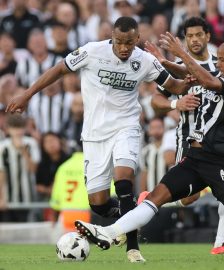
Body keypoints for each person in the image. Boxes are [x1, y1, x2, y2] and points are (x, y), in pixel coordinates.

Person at [74, 36, 224, 261]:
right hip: (194, 157)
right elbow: (192, 74)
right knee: (154, 198)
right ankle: (109, 232)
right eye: (217, 59)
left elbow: (207, 79)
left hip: (221, 159)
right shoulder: (219, 76)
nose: (217, 63)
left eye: (222, 59)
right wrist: (166, 62)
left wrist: (180, 52)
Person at [6, 16, 192, 263]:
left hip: (126, 127)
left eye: (129, 42)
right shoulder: (92, 51)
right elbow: (59, 69)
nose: (124, 48)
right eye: (119, 42)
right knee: (98, 204)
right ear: (111, 38)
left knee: (124, 179)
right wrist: (27, 95)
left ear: (137, 39)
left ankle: (133, 248)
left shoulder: (145, 60)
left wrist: (192, 73)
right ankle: (134, 214)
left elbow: (175, 86)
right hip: (94, 135)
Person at [146, 17, 224, 255]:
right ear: (185, 39)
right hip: (190, 138)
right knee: (191, 198)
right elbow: (155, 102)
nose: (195, 40)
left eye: (199, 35)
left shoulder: (222, 65)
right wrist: (176, 103)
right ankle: (148, 200)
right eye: (189, 36)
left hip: (220, 141)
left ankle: (221, 244)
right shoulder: (178, 65)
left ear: (208, 36)